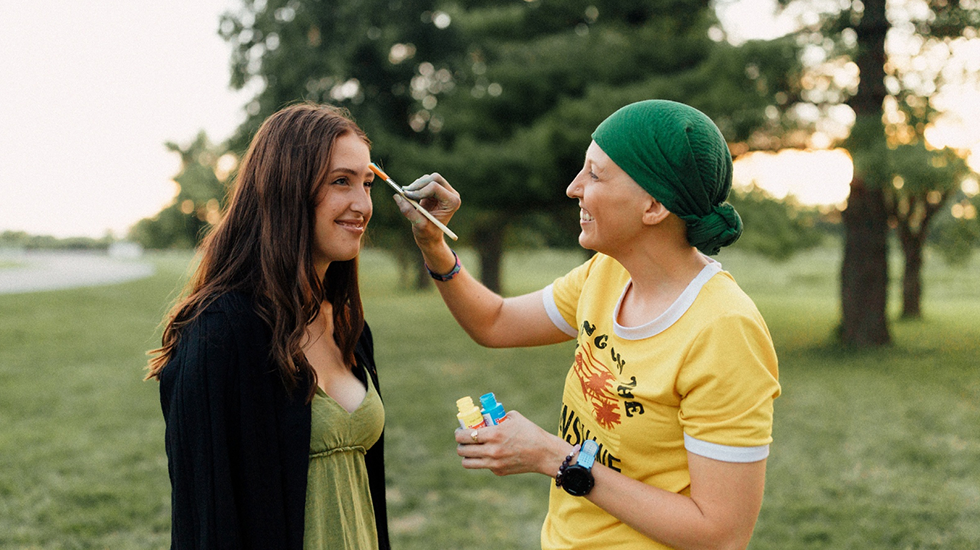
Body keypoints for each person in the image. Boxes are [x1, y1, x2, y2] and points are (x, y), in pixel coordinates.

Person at [394, 99, 781, 550]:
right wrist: (434, 244)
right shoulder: (607, 273)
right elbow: (495, 322)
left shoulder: (724, 329)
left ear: (653, 205)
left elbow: (721, 534)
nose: (574, 188)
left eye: (595, 174)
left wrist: (554, 457)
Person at [145, 102, 389, 550]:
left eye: (367, 184)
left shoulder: (349, 327)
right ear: (287, 189)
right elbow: (207, 523)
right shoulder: (218, 334)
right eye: (341, 182)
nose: (363, 205)